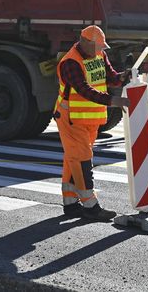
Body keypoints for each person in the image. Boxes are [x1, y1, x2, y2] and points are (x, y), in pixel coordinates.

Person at [53, 25, 131, 222]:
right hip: (71, 119)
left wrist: (123, 77)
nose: (100, 51)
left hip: (90, 120)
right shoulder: (70, 62)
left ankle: (71, 205)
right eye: (97, 47)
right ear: (85, 42)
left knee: (74, 160)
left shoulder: (98, 55)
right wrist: (114, 101)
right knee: (82, 161)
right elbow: (84, 90)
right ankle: (91, 207)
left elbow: (110, 77)